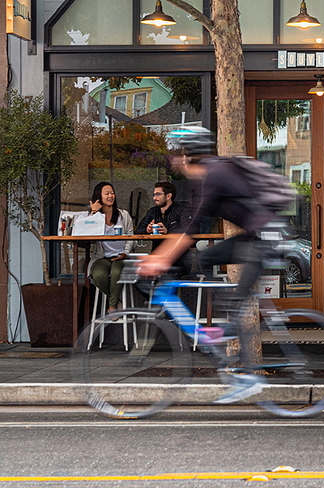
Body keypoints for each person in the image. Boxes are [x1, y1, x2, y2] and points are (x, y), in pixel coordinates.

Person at [139, 126, 281, 404]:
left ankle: (247, 376)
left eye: (176, 155)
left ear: (186, 155)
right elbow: (190, 226)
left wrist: (159, 259)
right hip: (253, 237)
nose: (173, 161)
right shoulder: (205, 179)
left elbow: (190, 228)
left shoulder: (215, 175)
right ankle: (220, 327)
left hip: (268, 239)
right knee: (202, 259)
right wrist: (161, 257)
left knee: (235, 302)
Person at [88, 182, 135, 311]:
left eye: (112, 193)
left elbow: (131, 236)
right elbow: (87, 233)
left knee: (116, 272)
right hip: (102, 257)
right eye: (107, 193)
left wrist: (125, 252)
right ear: (99, 196)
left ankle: (113, 307)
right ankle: (115, 300)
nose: (111, 196)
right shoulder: (94, 216)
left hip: (122, 256)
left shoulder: (123, 215)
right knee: (98, 274)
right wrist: (94, 212)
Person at [136, 181, 192, 272]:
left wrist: (168, 231)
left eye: (158, 194)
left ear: (168, 196)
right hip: (157, 259)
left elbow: (189, 231)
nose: (154, 198)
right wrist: (147, 229)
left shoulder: (181, 211)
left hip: (178, 260)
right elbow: (138, 231)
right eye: (154, 195)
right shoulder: (152, 212)